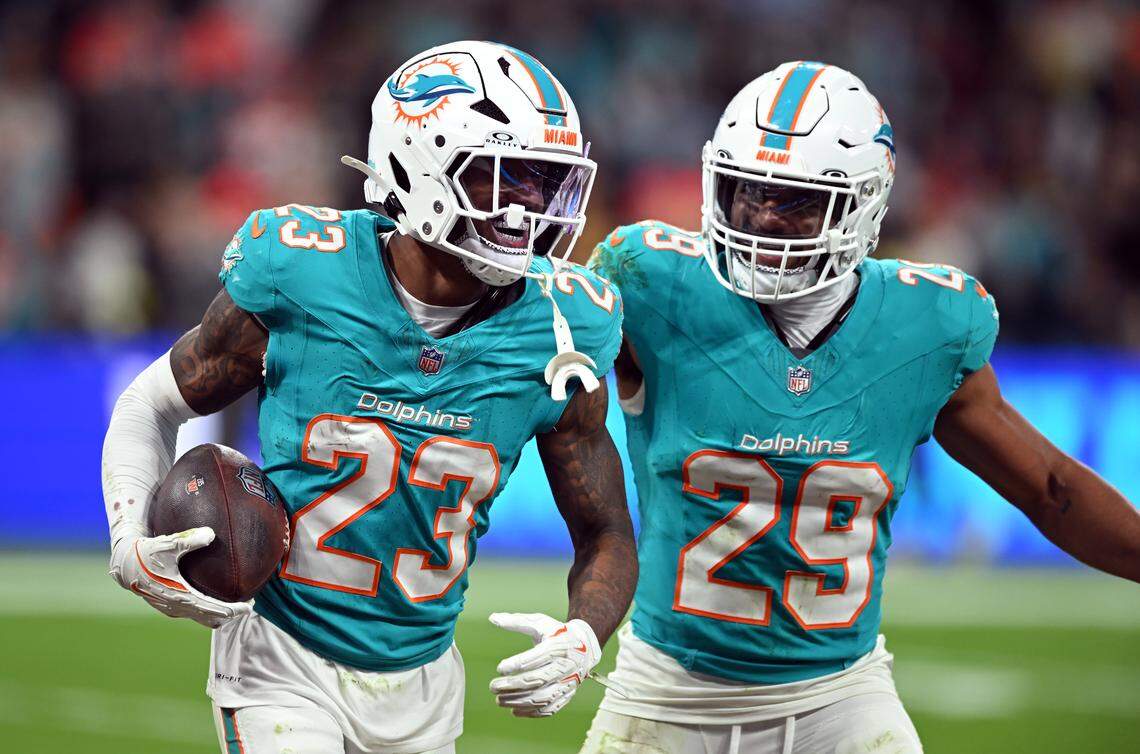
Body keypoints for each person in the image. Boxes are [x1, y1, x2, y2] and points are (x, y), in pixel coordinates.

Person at [583, 60, 1140, 754]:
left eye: (793, 199)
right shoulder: (653, 285)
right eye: (746, 190)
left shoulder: (924, 324)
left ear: (863, 205)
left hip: (838, 697)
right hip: (664, 686)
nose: (759, 213)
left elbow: (1052, 489)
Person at [101, 41, 636, 754]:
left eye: (543, 183)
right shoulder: (304, 271)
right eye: (500, 177)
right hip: (281, 658)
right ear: (418, 166)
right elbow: (151, 404)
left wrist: (584, 635)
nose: (527, 207)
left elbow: (606, 531)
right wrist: (128, 537)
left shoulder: (564, 326)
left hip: (424, 680)